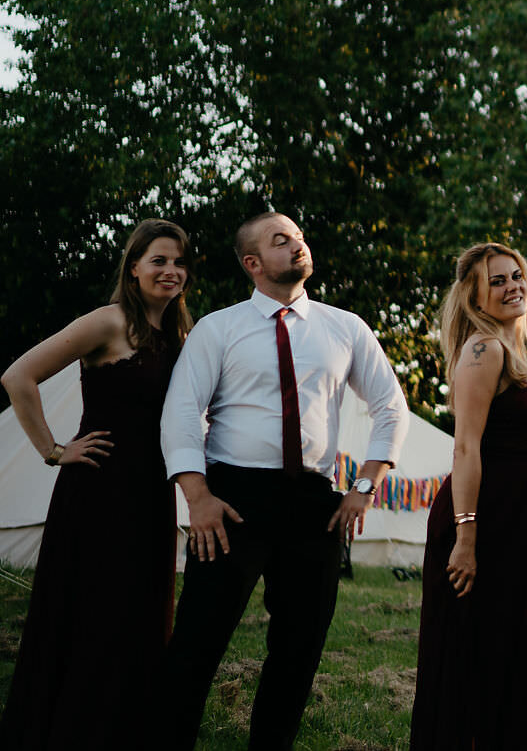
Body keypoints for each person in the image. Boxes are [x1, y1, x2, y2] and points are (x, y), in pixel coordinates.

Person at [160, 211, 411, 751]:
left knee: (299, 649)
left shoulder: (345, 327)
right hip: (232, 501)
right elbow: (181, 412)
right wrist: (197, 496)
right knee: (197, 645)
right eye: (281, 241)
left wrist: (364, 486)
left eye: (298, 237)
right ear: (252, 263)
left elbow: (392, 408)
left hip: (314, 504)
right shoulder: (217, 329)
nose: (297, 246)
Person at [0, 218, 192, 749]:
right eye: (159, 260)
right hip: (98, 491)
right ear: (133, 268)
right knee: (95, 615)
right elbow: (18, 376)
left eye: (179, 262)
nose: (171, 271)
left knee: (140, 616)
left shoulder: (183, 337)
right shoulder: (107, 323)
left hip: (153, 493)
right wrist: (54, 450)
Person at [410, 242, 527, 750]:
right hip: (481, 522)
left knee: (508, 648)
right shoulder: (483, 349)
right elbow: (465, 448)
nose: (512, 285)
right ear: (474, 295)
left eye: (517, 275)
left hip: (515, 524)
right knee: (476, 652)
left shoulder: (513, 353)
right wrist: (466, 536)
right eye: (497, 280)